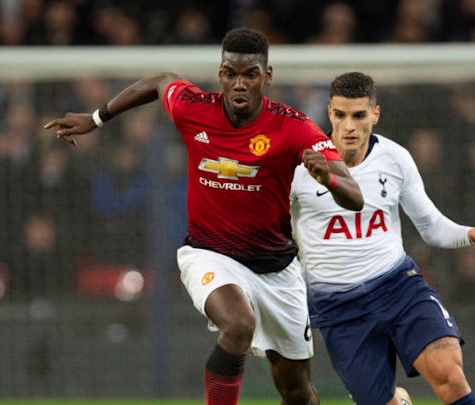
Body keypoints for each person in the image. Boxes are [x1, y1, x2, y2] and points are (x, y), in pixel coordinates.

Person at [44, 28, 363, 405]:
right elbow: (159, 80)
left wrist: (327, 177)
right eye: (231, 74)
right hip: (210, 254)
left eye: (251, 75)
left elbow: (355, 197)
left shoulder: (294, 127)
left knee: (297, 392)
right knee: (238, 325)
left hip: (277, 271)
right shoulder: (194, 107)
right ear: (220, 75)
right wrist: (97, 119)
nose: (240, 84)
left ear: (268, 76)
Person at [290, 72, 475, 405]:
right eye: (340, 115)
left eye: (359, 115)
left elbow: (430, 226)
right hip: (339, 308)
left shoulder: (394, 158)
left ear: (375, 115)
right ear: (329, 112)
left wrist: (468, 234)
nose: (349, 125)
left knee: (449, 373)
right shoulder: (298, 168)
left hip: (399, 287)